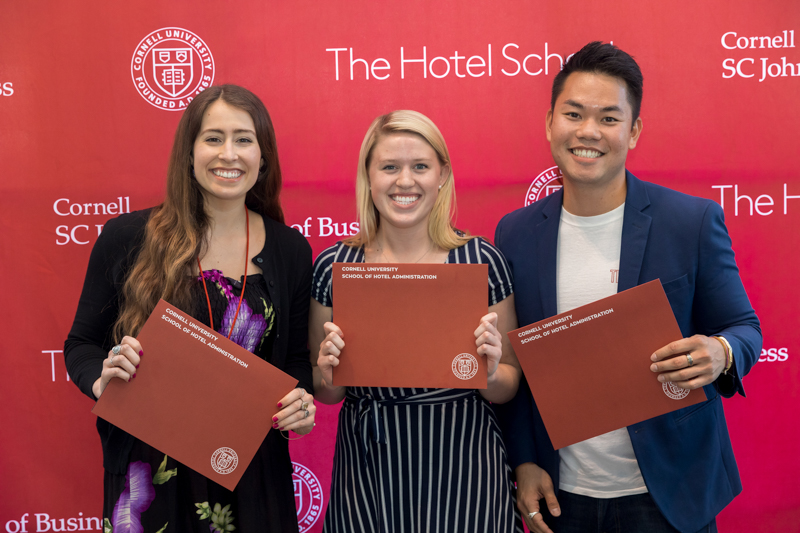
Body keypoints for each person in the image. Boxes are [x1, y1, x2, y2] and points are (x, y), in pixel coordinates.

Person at [492, 42, 762, 533]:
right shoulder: (515, 231)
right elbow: (517, 362)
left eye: (609, 118)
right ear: (550, 122)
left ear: (633, 131)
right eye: (573, 114)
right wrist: (524, 460)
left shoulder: (691, 221)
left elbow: (743, 327)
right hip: (562, 496)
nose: (588, 132)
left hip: (668, 494)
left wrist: (720, 352)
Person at [64, 85, 316, 533]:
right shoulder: (128, 236)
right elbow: (82, 343)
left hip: (251, 473)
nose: (229, 153)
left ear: (263, 156)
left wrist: (299, 401)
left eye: (243, 139)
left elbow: (296, 361)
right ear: (189, 152)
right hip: (151, 473)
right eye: (213, 138)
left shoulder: (290, 250)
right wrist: (100, 380)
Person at [310, 110, 523, 533]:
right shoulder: (335, 265)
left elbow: (508, 386)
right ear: (368, 178)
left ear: (442, 175)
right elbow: (326, 392)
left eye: (420, 167)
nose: (404, 181)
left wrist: (493, 370)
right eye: (389, 167)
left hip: (466, 467)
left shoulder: (480, 260)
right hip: (368, 470)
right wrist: (329, 368)